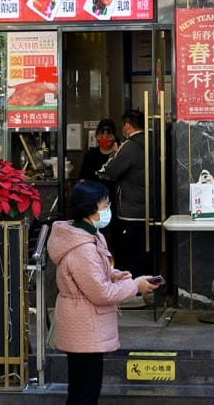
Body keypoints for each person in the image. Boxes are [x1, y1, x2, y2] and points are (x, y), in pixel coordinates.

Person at [47, 180, 159, 405]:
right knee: (85, 391)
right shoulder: (82, 249)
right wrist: (135, 287)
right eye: (104, 205)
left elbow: (100, 272)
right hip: (84, 325)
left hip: (85, 324)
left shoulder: (89, 235)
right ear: (89, 209)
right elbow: (101, 292)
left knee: (84, 387)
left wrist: (122, 276)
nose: (108, 209)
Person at [97, 109, 154, 277]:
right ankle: (151, 286)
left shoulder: (129, 146)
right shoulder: (155, 141)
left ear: (128, 126)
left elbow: (111, 170)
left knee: (131, 253)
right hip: (154, 209)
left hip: (131, 210)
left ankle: (134, 289)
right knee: (148, 251)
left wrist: (115, 153)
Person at [78, 119, 119, 185]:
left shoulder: (119, 154)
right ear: (96, 136)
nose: (104, 139)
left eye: (108, 136)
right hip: (93, 193)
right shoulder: (90, 154)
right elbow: (82, 178)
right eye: (101, 136)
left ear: (114, 137)